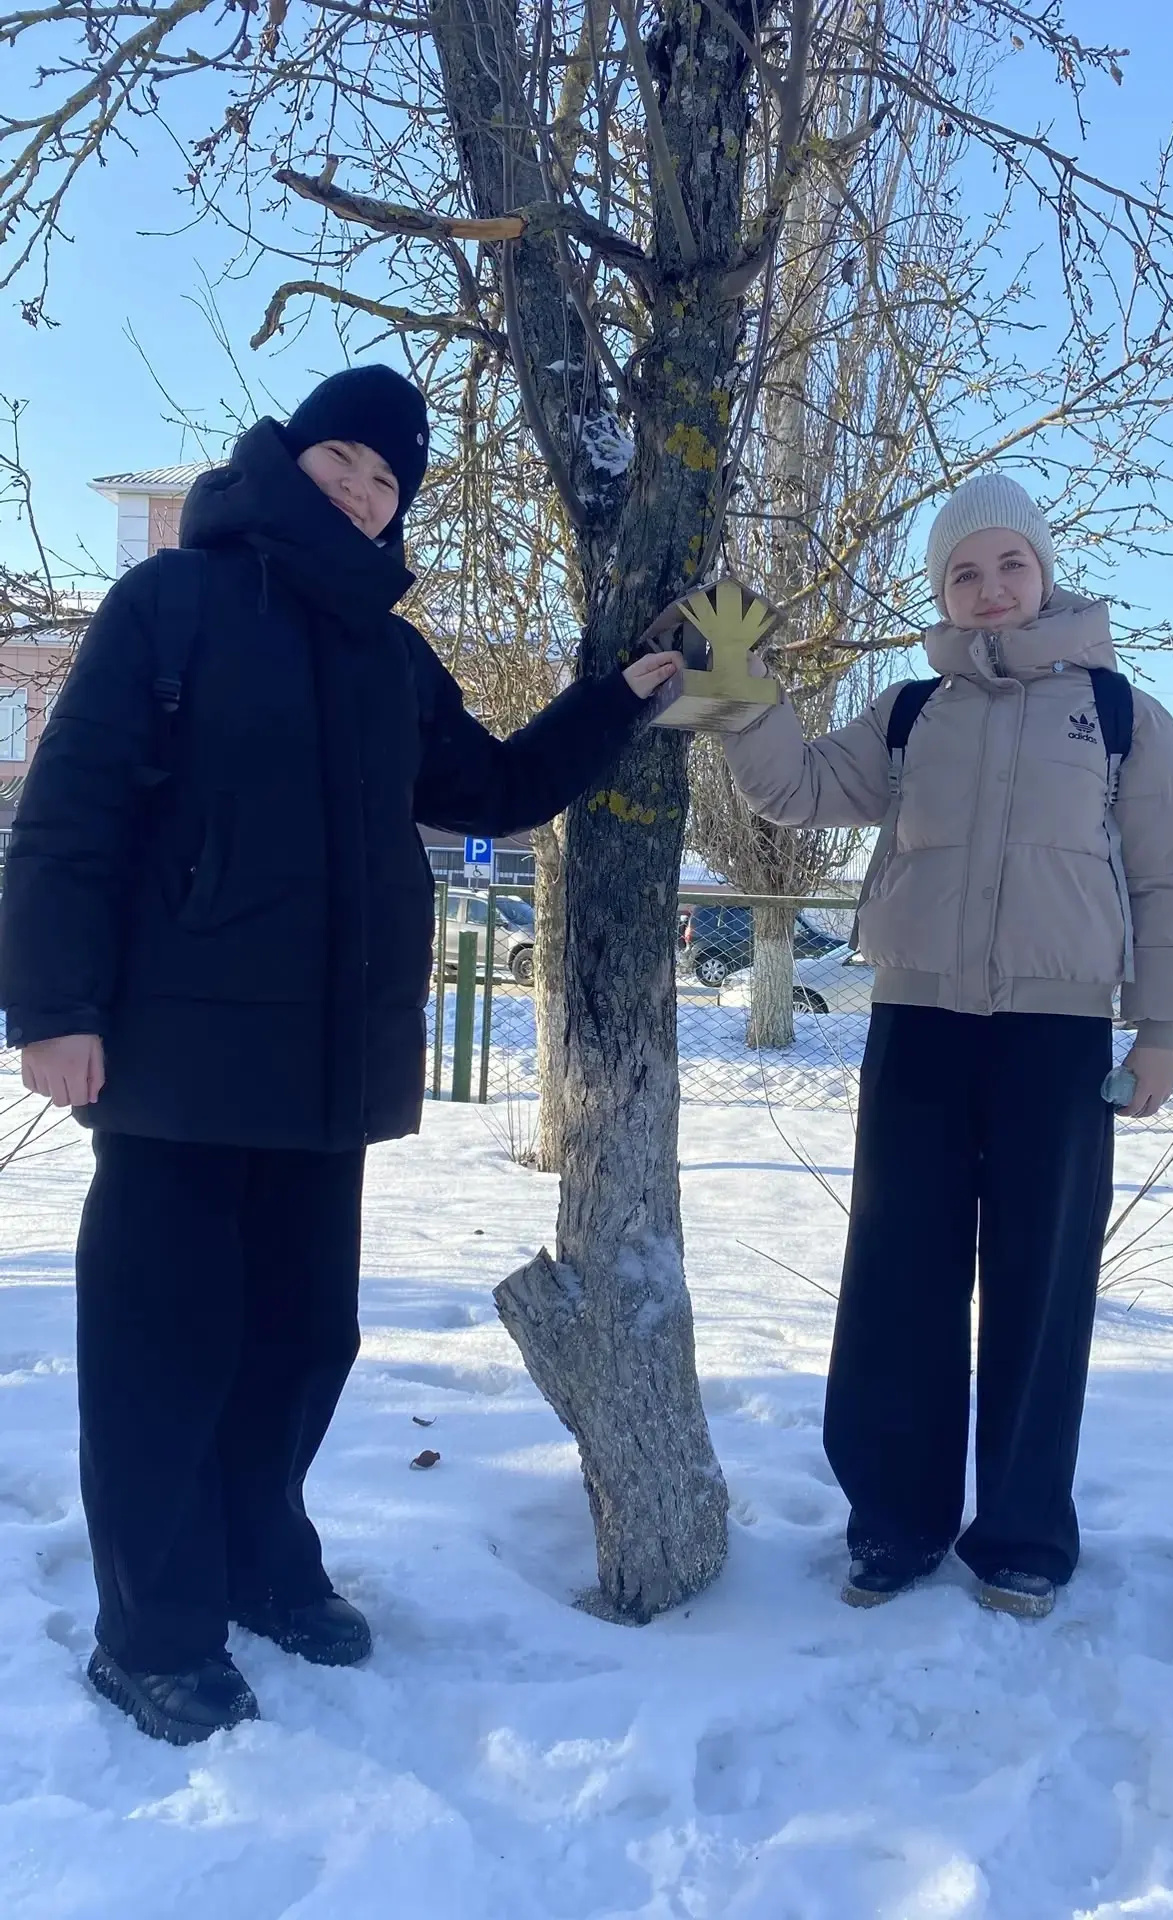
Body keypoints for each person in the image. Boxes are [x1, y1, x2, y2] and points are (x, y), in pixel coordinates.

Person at [0, 365, 680, 1744]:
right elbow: (66, 817)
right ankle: (153, 1634)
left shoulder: (386, 652)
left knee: (304, 1338)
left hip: (326, 1073)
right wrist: (52, 1009)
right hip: (176, 1067)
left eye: (389, 481)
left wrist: (618, 699)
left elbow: (486, 790)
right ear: (290, 459)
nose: (366, 491)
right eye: (347, 462)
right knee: (162, 1355)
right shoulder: (169, 605)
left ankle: (262, 1561)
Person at [723, 474, 1173, 1618]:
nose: (991, 591)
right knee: (900, 1276)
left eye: (1010, 567)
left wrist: (1157, 1033)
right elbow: (791, 792)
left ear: (1046, 573)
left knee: (1042, 1291)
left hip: (1058, 1036)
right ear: (941, 589)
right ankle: (893, 1526)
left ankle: (1025, 1537)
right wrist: (735, 686)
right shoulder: (908, 713)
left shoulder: (1121, 714)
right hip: (920, 1026)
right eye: (963, 573)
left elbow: (1170, 878)